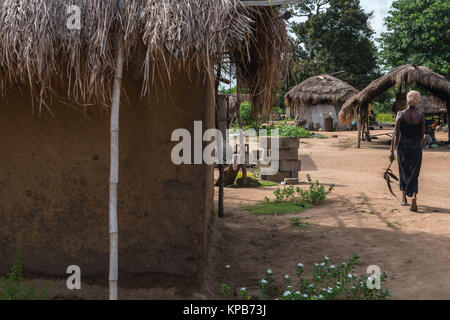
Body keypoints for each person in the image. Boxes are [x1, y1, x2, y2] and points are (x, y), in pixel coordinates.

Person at [390, 91, 425, 212]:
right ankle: (414, 196)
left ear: (407, 99)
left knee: (403, 171)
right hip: (416, 147)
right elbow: (422, 136)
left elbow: (396, 133)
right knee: (414, 173)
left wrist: (391, 150)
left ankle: (404, 198)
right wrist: (418, 147)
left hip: (402, 148)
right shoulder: (420, 116)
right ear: (418, 100)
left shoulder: (400, 114)